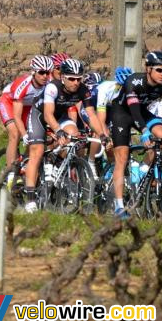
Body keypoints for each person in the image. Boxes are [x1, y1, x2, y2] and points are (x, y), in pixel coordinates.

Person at [106, 51, 162, 220]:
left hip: (142, 112)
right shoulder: (134, 81)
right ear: (148, 69)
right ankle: (119, 205)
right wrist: (144, 131)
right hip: (122, 113)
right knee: (122, 157)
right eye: (159, 70)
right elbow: (134, 110)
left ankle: (145, 170)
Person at [22, 59, 109, 213]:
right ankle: (30, 199)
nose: (76, 82)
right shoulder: (52, 87)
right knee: (37, 150)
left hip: (61, 116)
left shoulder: (83, 90)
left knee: (74, 136)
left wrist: (102, 134)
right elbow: (48, 114)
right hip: (40, 115)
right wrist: (58, 131)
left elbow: (91, 115)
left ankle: (56, 164)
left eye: (78, 79)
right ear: (62, 77)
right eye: (71, 78)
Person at [0, 55, 53, 188]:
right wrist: (24, 135)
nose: (45, 76)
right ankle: (10, 173)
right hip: (9, 103)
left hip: (29, 106)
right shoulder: (23, 85)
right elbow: (16, 116)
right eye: (41, 72)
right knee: (15, 133)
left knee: (35, 137)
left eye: (48, 72)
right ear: (33, 72)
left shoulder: (49, 84)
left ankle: (26, 164)